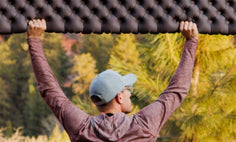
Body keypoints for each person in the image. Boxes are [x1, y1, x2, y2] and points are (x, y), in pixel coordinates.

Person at [26, 19, 198, 141]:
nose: (130, 94)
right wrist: (191, 41)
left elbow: (49, 90)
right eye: (127, 90)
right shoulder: (143, 125)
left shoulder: (82, 128)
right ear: (119, 97)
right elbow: (177, 90)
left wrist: (34, 39)